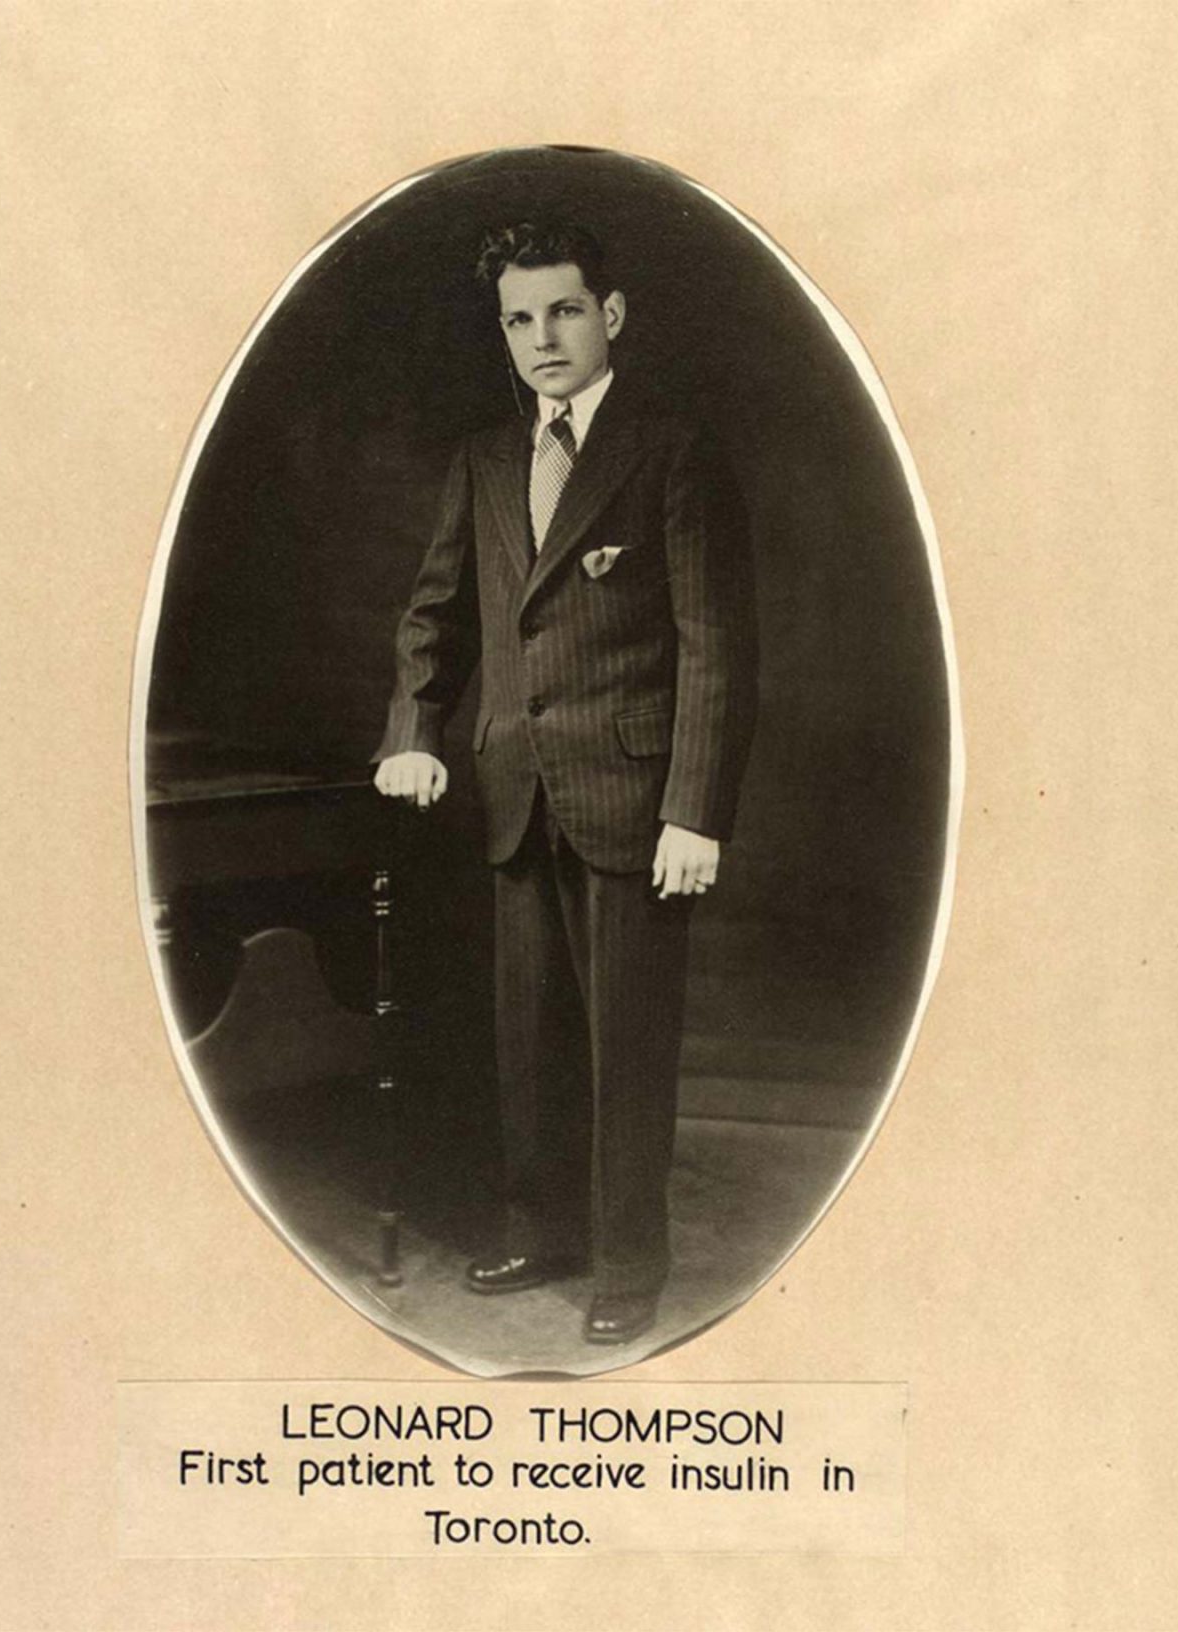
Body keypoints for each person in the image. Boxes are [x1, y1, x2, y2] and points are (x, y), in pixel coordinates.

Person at [373, 219, 758, 1346]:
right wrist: (416, 727)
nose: (542, 338)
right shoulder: (486, 459)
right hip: (513, 789)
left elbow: (714, 644)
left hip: (635, 803)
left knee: (625, 1041)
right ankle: (544, 1230)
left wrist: (694, 808)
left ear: (613, 316)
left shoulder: (672, 448)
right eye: (519, 319)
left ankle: (629, 1262)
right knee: (530, 1033)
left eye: (564, 311)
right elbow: (434, 613)